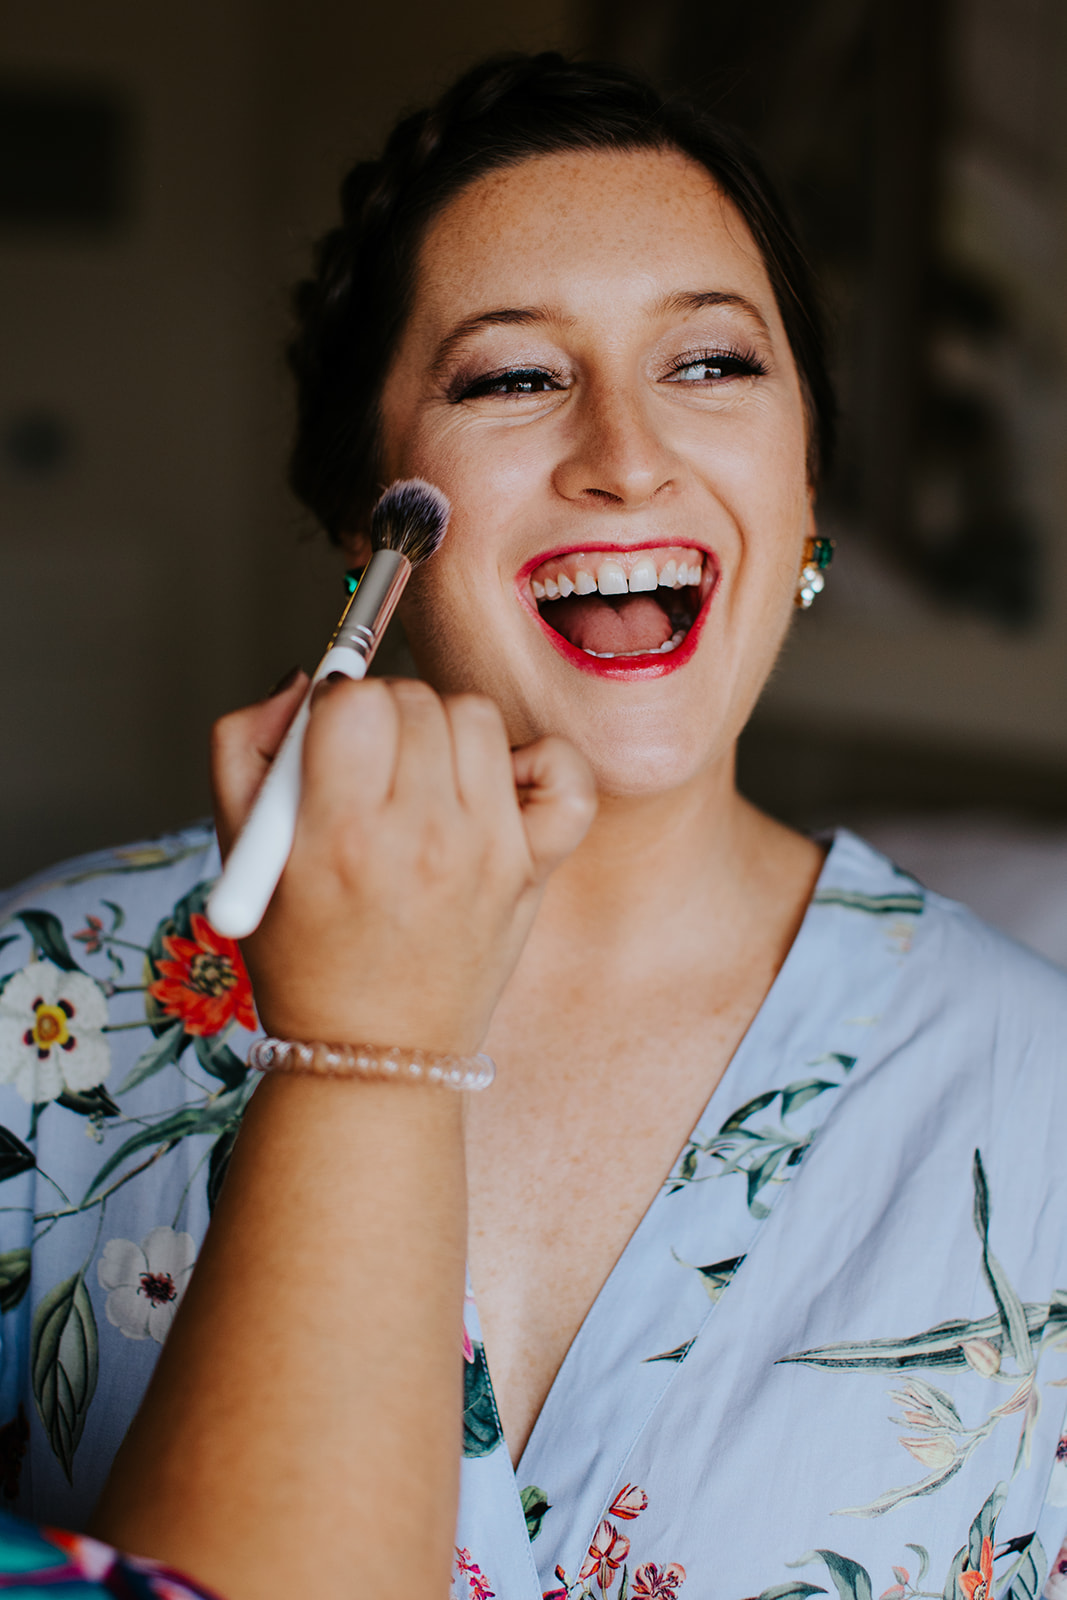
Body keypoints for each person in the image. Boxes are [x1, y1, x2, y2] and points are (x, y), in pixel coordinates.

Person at [1, 50, 1067, 1600]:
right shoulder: (41, 1006)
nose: (627, 455)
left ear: (809, 485)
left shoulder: (1041, 1102)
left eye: (712, 364)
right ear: (372, 518)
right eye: (511, 378)